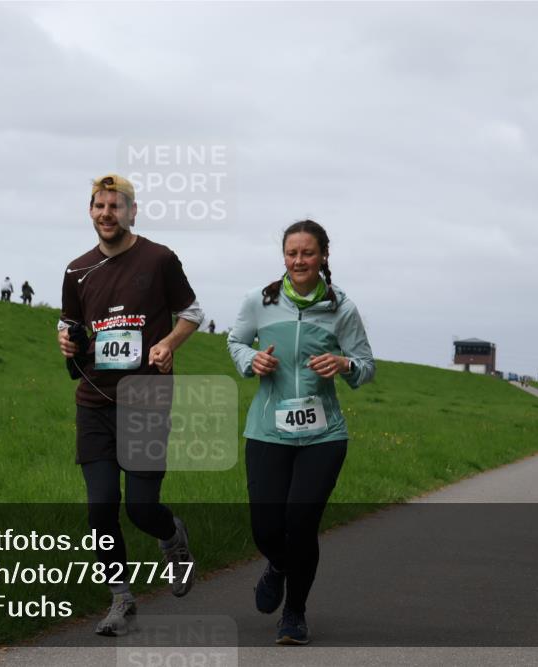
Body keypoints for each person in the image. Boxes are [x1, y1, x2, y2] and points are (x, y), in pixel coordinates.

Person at [57, 174, 205, 636]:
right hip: (94, 401)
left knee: (141, 508)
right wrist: (65, 341)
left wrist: (168, 344)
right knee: (101, 508)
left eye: (115, 206)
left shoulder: (159, 259)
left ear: (132, 212)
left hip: (146, 398)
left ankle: (171, 536)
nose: (107, 214)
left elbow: (193, 312)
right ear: (90, 211)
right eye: (99, 206)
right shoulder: (76, 270)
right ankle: (120, 599)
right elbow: (70, 324)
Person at [227, 219, 375, 645]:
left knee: (302, 521)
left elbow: (366, 365)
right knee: (266, 527)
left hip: (323, 435)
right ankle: (277, 565)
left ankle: (294, 612)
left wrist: (344, 365)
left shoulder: (341, 308)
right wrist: (252, 360)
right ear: (284, 257)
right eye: (292, 253)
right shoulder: (259, 301)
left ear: (324, 256)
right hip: (267, 430)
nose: (299, 261)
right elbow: (235, 342)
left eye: (307, 253)